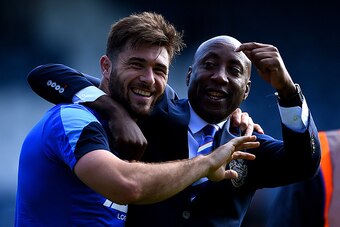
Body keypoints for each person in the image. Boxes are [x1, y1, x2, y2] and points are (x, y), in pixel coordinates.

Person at [27, 34, 321, 226]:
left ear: (246, 90)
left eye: (233, 71)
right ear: (190, 75)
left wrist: (287, 91)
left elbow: (305, 163)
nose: (219, 77)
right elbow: (46, 76)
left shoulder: (248, 143)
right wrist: (114, 110)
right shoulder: (154, 106)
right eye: (209, 64)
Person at [15, 13, 260, 227]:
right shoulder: (74, 120)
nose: (149, 79)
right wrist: (207, 163)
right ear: (106, 67)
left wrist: (229, 118)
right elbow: (128, 185)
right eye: (137, 65)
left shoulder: (147, 123)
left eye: (159, 70)